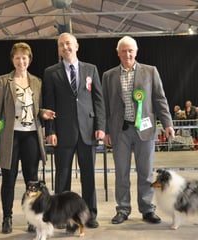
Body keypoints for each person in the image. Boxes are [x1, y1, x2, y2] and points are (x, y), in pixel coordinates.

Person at [102, 36, 175, 225]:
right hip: (120, 131)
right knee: (121, 173)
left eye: (130, 50)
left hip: (145, 130)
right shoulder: (108, 76)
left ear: (136, 51)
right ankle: (123, 209)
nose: (127, 54)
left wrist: (168, 124)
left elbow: (160, 99)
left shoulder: (150, 72)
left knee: (146, 172)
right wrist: (105, 131)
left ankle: (147, 209)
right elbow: (104, 106)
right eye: (124, 50)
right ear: (118, 53)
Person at [0, 42, 55, 234]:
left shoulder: (37, 82)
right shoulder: (3, 81)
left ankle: (32, 218)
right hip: (10, 136)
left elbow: (35, 108)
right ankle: (7, 218)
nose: (21, 61)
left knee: (31, 180)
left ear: (29, 60)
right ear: (13, 60)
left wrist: (43, 113)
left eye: (24, 58)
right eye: (17, 58)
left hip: (31, 136)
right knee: (8, 179)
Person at [43, 32, 106, 229]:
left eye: (68, 44)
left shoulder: (91, 69)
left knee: (89, 176)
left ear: (77, 46)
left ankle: (90, 215)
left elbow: (98, 100)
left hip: (88, 132)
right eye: (61, 45)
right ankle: (62, 218)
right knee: (62, 177)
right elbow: (49, 103)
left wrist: (100, 127)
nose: (65, 47)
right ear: (59, 49)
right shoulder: (51, 72)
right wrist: (50, 131)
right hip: (63, 133)